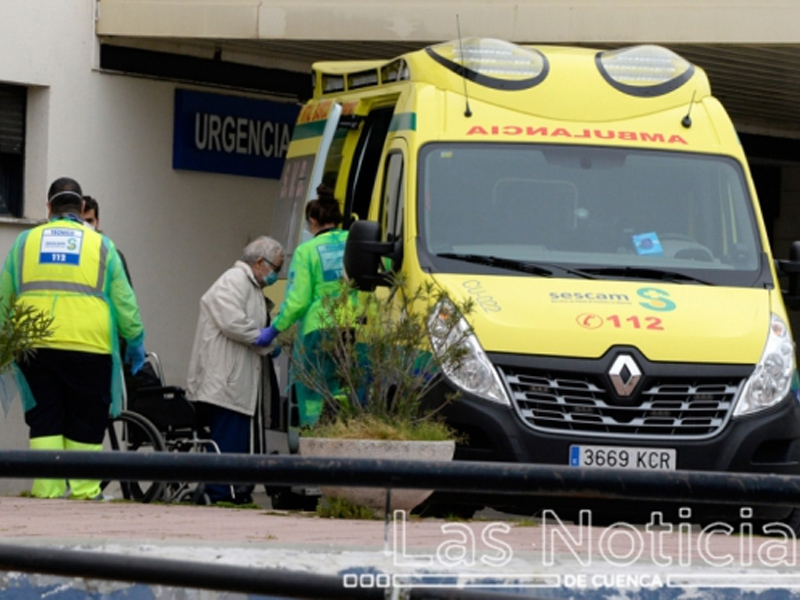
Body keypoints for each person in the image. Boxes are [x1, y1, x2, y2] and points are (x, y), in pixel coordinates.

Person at [0, 177, 147, 500]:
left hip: (34, 346)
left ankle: (48, 490)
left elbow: (3, 296)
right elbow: (125, 303)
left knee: (44, 419)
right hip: (89, 346)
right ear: (82, 209)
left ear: (49, 207)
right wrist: (135, 341)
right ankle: (84, 491)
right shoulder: (101, 245)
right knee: (86, 417)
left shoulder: (24, 243)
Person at [186, 236, 284, 505]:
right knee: (226, 440)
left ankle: (228, 491)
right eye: (276, 267)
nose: (277, 274)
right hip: (225, 381)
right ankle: (220, 493)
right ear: (260, 262)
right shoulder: (234, 281)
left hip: (236, 380)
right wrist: (264, 340)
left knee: (234, 440)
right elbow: (233, 322)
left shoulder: (251, 287)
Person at [257, 184, 349, 427]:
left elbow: (298, 301)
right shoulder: (354, 242)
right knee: (347, 383)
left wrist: (275, 329)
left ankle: (315, 432)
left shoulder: (306, 251)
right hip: (355, 326)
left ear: (312, 220)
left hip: (318, 329)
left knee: (312, 387)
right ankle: (346, 428)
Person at [81, 195, 133, 286]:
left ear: (97, 223)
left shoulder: (112, 255)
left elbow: (125, 295)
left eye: (89, 221)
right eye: (81, 222)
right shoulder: (68, 255)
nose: (85, 226)